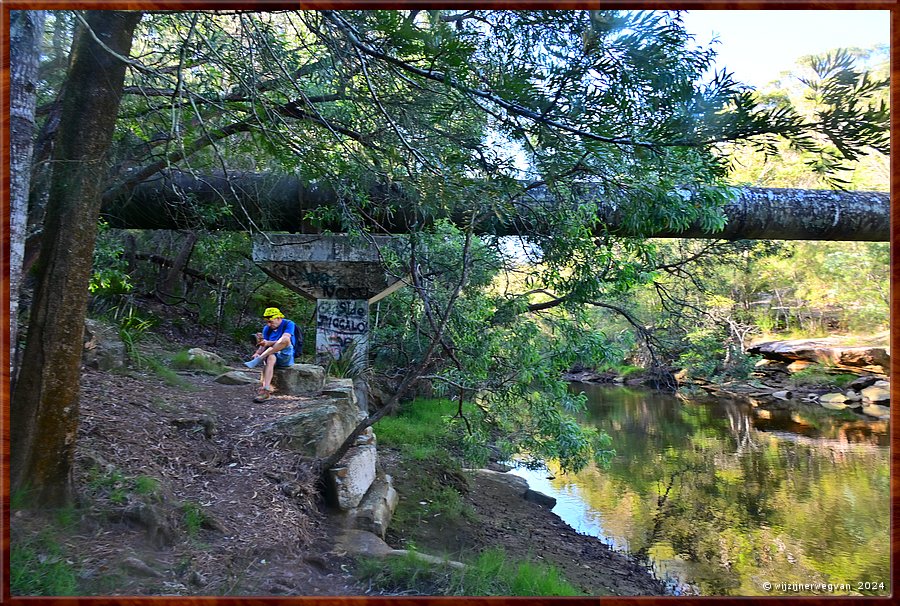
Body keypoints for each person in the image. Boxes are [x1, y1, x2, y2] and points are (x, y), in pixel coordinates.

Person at [244, 307, 299, 402]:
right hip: (271, 355)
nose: (269, 324)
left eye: (271, 322)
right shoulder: (267, 329)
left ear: (278, 318)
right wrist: (257, 353)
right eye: (267, 322)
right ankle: (266, 390)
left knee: (285, 339)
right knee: (270, 357)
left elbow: (285, 339)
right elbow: (262, 346)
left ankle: (261, 358)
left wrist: (269, 343)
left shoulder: (289, 324)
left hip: (285, 355)